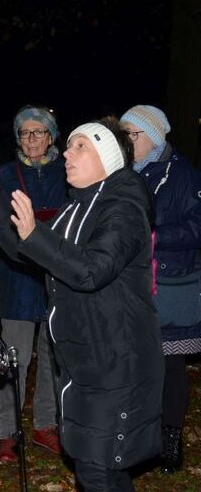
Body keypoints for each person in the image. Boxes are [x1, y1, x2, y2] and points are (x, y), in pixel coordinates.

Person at [0, 117, 164, 491]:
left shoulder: (122, 210)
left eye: (80, 147)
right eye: (69, 146)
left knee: (97, 471)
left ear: (106, 157)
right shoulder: (76, 209)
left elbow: (91, 270)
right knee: (101, 468)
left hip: (115, 366)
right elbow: (22, 250)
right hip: (83, 362)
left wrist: (35, 235)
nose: (67, 155)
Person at [120, 105, 201, 473]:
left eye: (132, 134)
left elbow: (196, 228)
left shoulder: (184, 175)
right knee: (134, 365)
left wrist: (154, 237)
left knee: (169, 366)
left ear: (153, 136)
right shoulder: (121, 174)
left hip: (168, 284)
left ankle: (169, 440)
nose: (127, 141)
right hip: (129, 285)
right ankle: (141, 437)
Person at [0, 106, 67, 461]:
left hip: (56, 275)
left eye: (39, 132)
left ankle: (45, 424)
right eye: (25, 133)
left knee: (54, 357)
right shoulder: (6, 174)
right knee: (14, 359)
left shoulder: (66, 171)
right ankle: (8, 430)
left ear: (51, 136)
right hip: (18, 275)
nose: (32, 139)